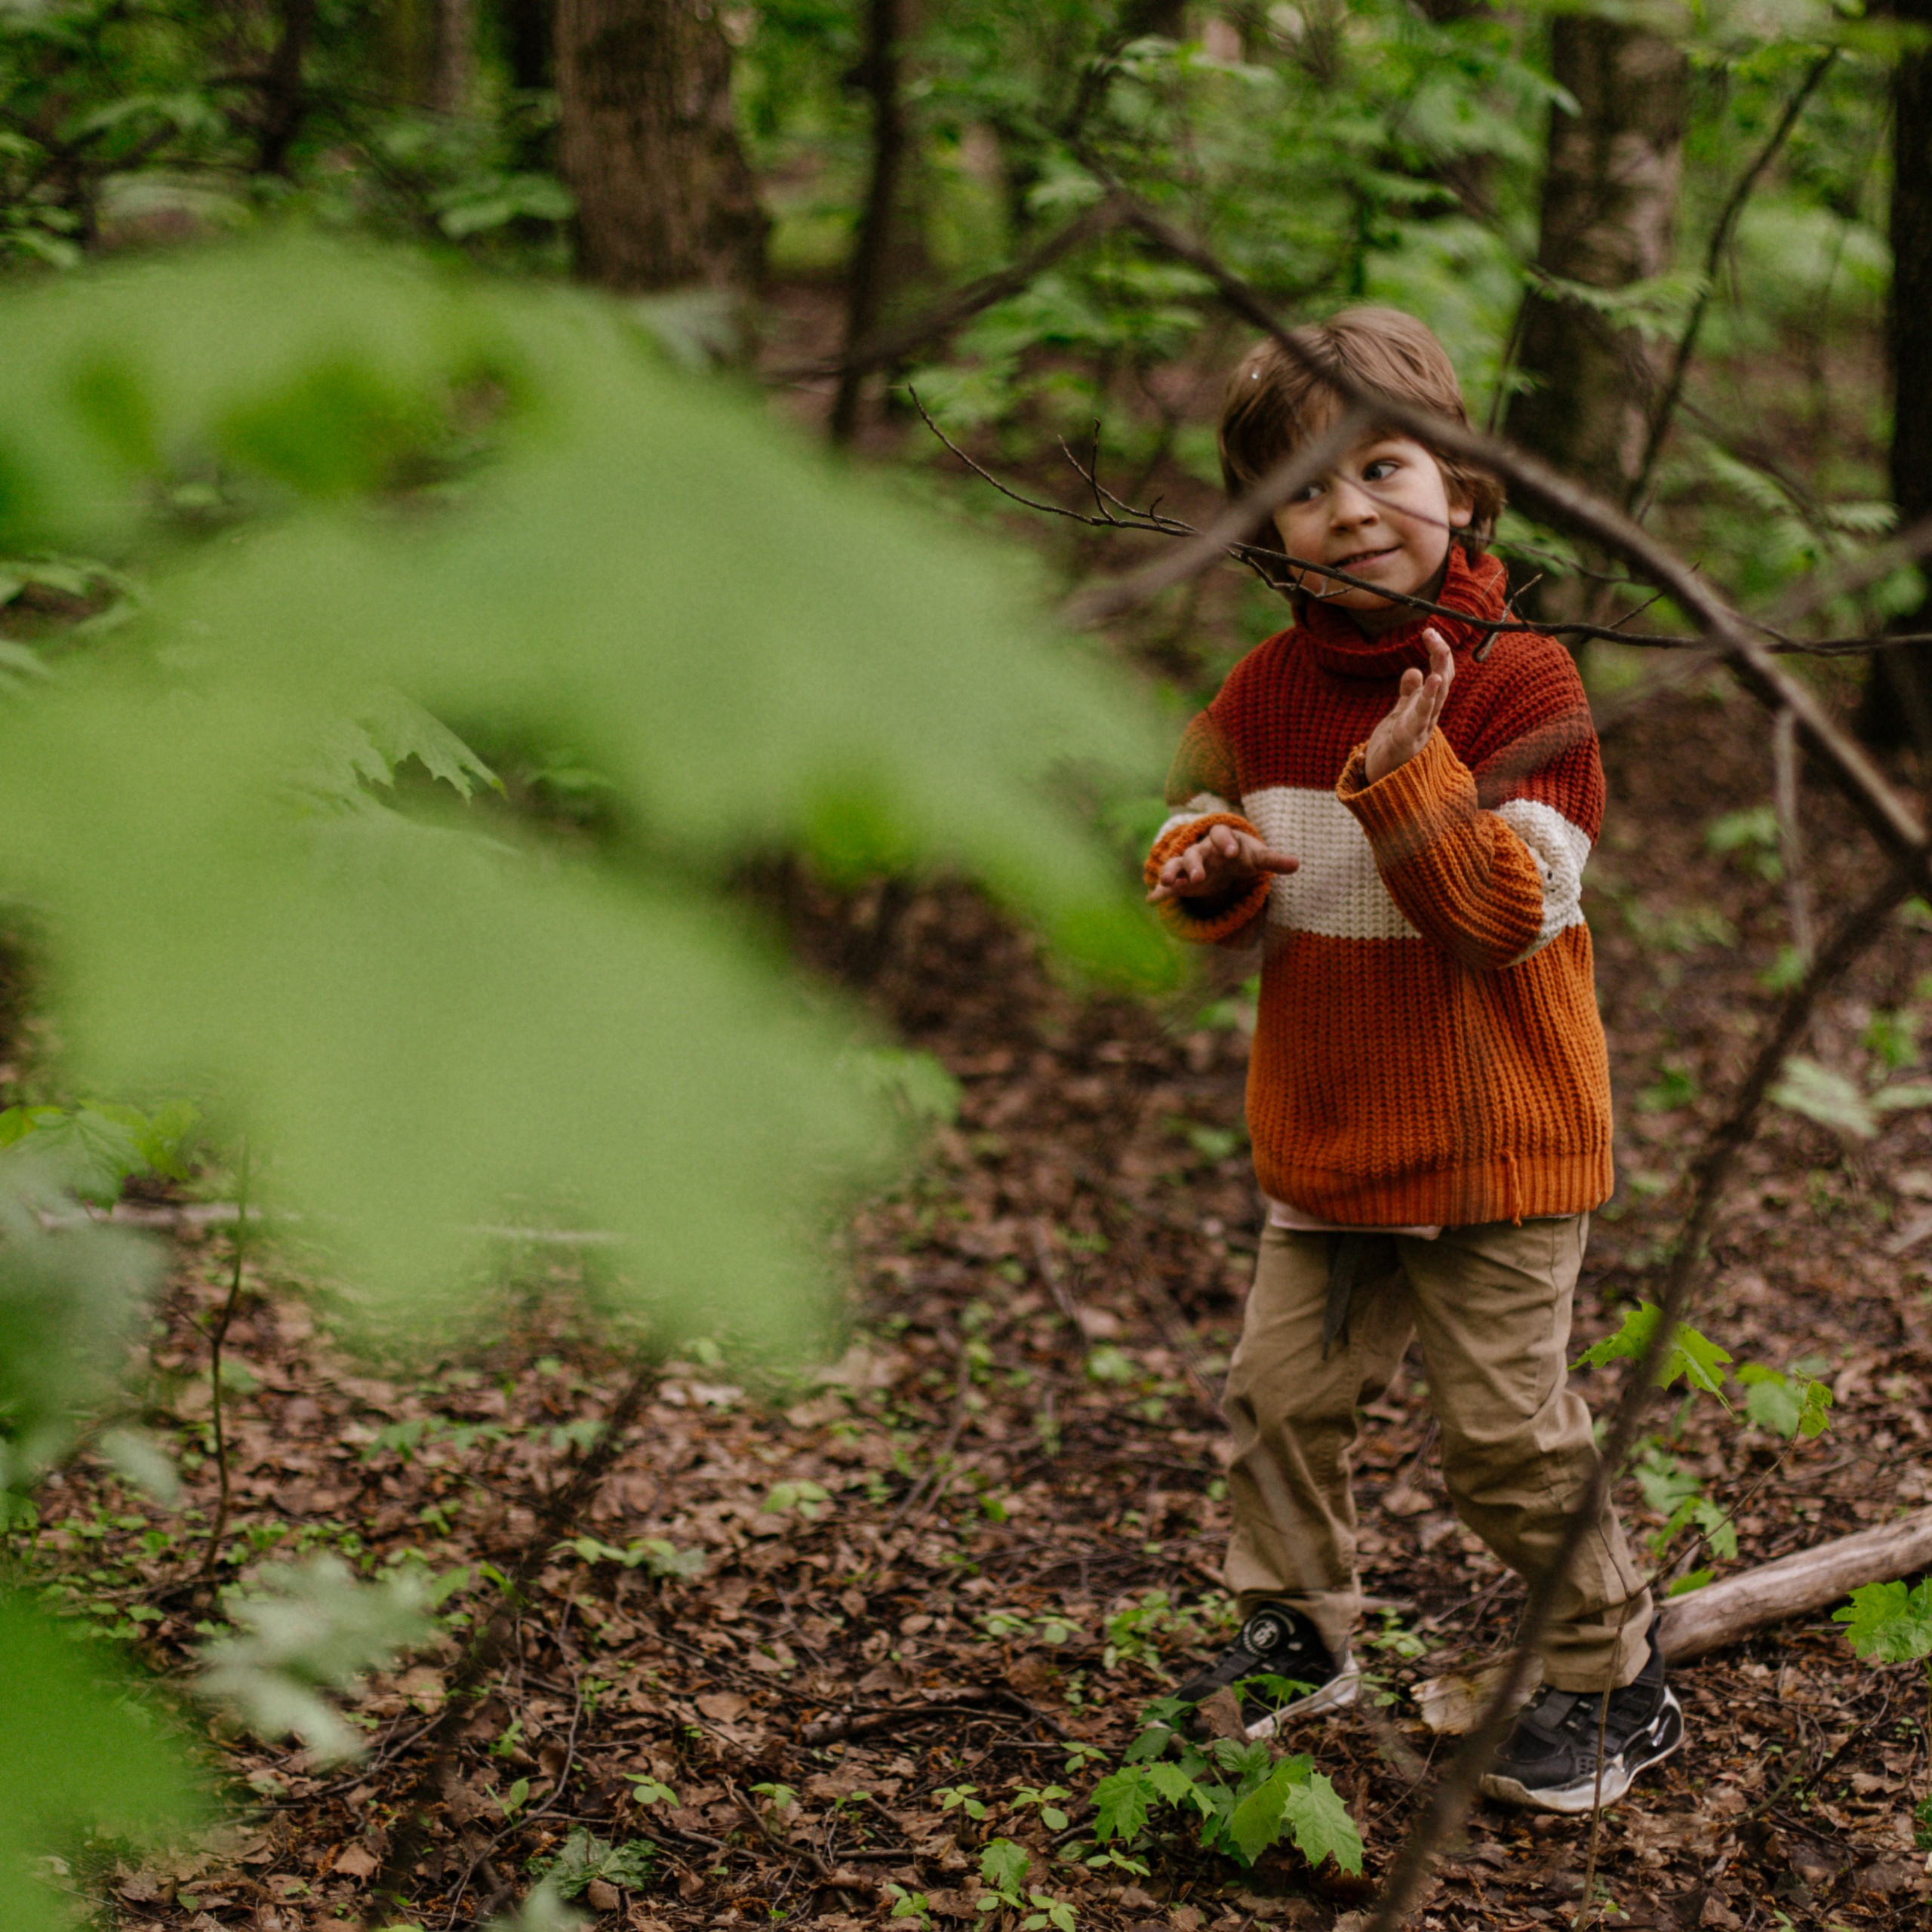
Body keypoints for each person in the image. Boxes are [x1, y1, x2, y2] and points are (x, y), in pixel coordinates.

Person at [1143, 307, 1680, 1815]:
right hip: (1329, 1135)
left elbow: (1507, 917)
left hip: (1498, 1144)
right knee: (1277, 1399)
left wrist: (1405, 777)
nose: (1349, 509)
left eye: (1380, 466)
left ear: (1459, 479)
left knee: (1506, 1439)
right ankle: (1295, 1630)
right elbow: (1189, 847)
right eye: (1304, 488)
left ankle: (1612, 1675)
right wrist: (1204, 866)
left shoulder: (1524, 684)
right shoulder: (1255, 695)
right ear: (1268, 530)